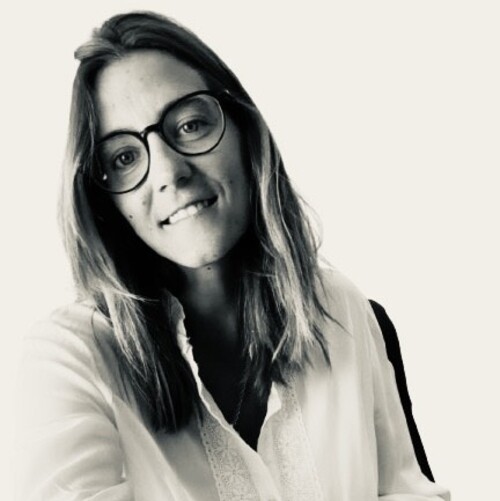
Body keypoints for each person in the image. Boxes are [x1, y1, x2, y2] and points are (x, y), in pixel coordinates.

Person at [16, 11, 450, 501]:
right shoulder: (69, 360)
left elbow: (407, 491)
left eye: (190, 125)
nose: (170, 172)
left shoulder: (339, 309)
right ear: (104, 200)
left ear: (245, 131)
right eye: (124, 157)